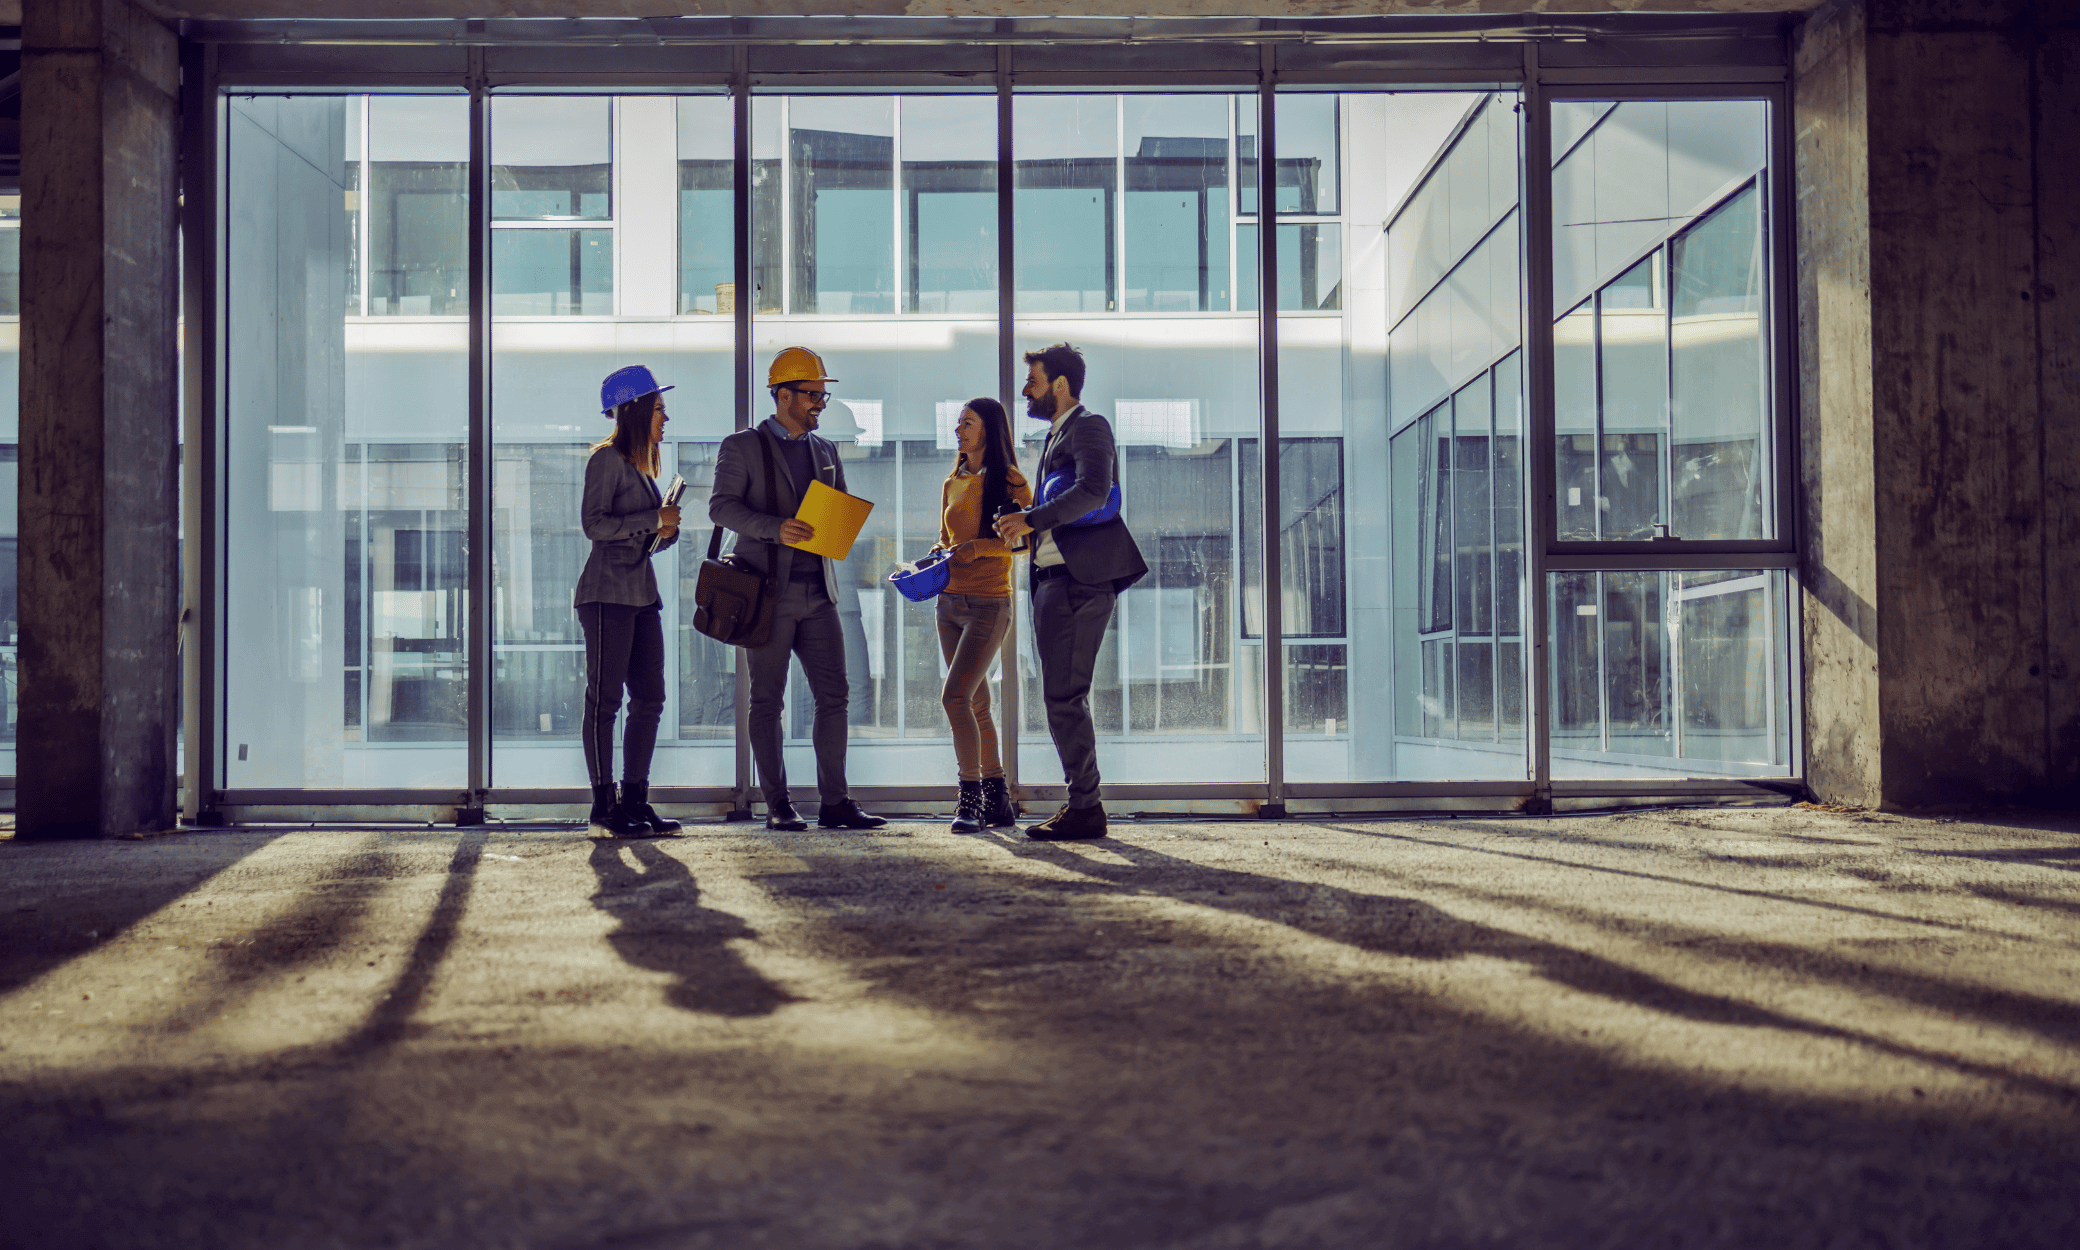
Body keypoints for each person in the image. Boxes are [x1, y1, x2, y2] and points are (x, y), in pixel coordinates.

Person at [708, 347, 886, 832]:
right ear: (782, 395)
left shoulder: (826, 451)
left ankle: (835, 803)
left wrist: (841, 523)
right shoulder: (741, 446)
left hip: (819, 594)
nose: (820, 404)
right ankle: (778, 804)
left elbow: (836, 509)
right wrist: (774, 528)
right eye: (812, 395)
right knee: (767, 701)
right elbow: (721, 509)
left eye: (823, 395)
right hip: (768, 596)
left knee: (835, 696)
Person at [995, 343, 1148, 841]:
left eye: (1033, 381)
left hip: (1078, 583)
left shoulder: (1089, 426)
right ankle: (1083, 804)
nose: (1026, 391)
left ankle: (1086, 807)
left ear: (1060, 384)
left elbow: (1094, 492)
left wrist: (1029, 519)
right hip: (1054, 582)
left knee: (1065, 696)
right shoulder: (1056, 437)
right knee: (1061, 696)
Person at [576, 364, 685, 838]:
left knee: (650, 699)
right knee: (605, 701)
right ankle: (604, 808)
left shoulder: (641, 468)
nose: (666, 418)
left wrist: (666, 529)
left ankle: (636, 802)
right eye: (660, 409)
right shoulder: (606, 460)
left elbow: (642, 533)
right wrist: (652, 518)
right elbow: (595, 526)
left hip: (640, 595)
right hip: (606, 596)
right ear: (638, 409)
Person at [930, 397, 1032, 833]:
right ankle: (998, 800)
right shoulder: (952, 481)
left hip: (990, 604)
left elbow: (1022, 544)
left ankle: (969, 798)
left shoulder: (1010, 481)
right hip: (948, 603)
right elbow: (944, 538)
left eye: (967, 423)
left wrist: (977, 548)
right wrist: (940, 553)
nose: (959, 431)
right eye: (958, 424)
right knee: (975, 702)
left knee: (953, 697)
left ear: (988, 429)